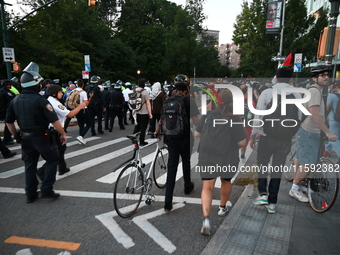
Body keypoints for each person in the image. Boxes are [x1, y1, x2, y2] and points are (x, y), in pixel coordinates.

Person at [6, 69, 66, 203]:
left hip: (25, 137)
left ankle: (30, 194)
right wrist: (62, 133)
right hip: (42, 137)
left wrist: (16, 136)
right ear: (36, 85)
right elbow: (54, 121)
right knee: (52, 160)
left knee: (29, 165)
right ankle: (46, 189)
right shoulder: (41, 101)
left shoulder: (15, 101)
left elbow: (9, 122)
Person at [249, 67, 301, 213]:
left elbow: (258, 116)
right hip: (285, 139)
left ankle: (263, 194)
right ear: (291, 79)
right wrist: (292, 133)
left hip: (267, 136)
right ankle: (272, 203)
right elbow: (300, 117)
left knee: (263, 165)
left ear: (276, 78)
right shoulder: (297, 94)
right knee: (277, 169)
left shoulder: (267, 92)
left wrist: (254, 135)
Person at [195, 90, 246, 236]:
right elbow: (242, 142)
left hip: (208, 156)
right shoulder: (234, 119)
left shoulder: (208, 114)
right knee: (225, 181)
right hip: (227, 157)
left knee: (207, 187)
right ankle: (222, 207)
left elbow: (197, 134)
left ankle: (206, 219)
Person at [289, 65, 337, 202]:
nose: (326, 77)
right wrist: (327, 132)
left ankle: (297, 185)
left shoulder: (313, 90)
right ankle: (294, 188)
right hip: (310, 131)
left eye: (327, 74)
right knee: (308, 163)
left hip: (305, 130)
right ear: (314, 78)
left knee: (300, 158)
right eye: (322, 75)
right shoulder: (315, 91)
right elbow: (315, 114)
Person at [155, 74, 199, 212]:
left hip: (171, 138)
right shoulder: (189, 100)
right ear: (187, 87)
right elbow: (197, 122)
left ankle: (168, 203)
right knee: (186, 161)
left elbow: (162, 118)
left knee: (172, 168)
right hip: (186, 137)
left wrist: (157, 130)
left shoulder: (169, 100)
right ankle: (187, 186)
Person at [37, 85, 88, 178]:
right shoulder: (54, 102)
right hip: (55, 130)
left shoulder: (46, 100)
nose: (62, 93)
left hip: (48, 130)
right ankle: (42, 170)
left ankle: (62, 168)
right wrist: (80, 106)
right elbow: (69, 114)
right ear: (54, 93)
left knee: (60, 149)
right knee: (57, 153)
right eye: (60, 92)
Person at [133, 78, 153, 146]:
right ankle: (142, 141)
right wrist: (150, 113)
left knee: (137, 126)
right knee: (143, 127)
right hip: (144, 112)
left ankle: (134, 137)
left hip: (136, 112)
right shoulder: (145, 92)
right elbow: (148, 103)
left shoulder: (134, 90)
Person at [326, 82, 340, 163]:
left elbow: (327, 107)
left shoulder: (333, 96)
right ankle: (326, 150)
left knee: (333, 137)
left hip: (334, 120)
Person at [75, 79, 91, 145]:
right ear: (83, 85)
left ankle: (81, 138)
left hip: (76, 109)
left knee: (81, 124)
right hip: (83, 109)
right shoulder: (83, 92)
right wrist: (90, 98)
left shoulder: (74, 91)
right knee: (89, 123)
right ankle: (81, 136)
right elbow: (86, 103)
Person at [0, 80, 16, 144]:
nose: (11, 86)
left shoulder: (2, 90)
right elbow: (12, 101)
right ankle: (7, 139)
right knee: (9, 124)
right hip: (5, 110)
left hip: (2, 110)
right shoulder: (6, 92)